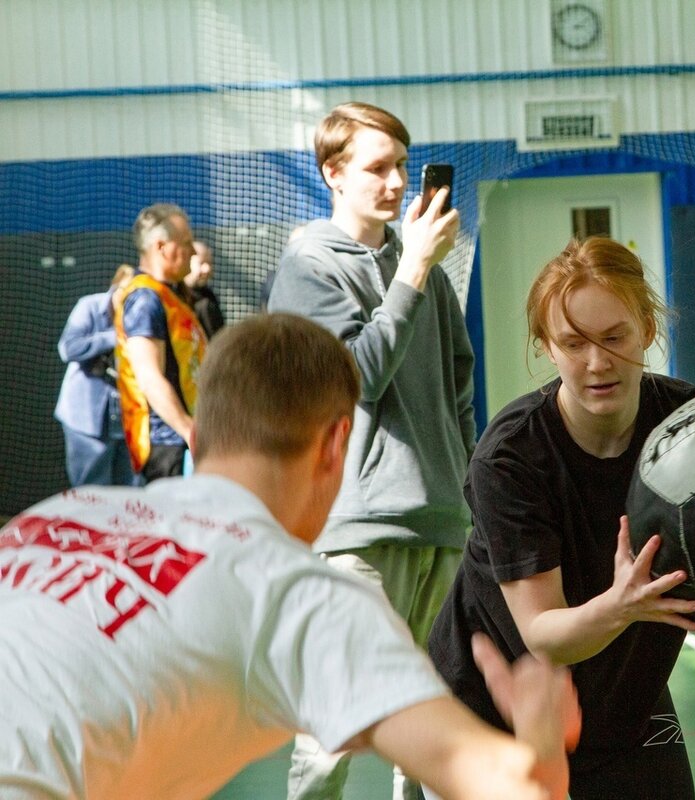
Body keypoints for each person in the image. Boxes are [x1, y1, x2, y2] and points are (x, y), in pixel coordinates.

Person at [0, 313, 576, 800]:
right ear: (335, 444)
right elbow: (515, 789)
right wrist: (542, 737)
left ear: (198, 435)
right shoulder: (297, 592)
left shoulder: (57, 514)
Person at [427, 237, 695, 800]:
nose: (597, 363)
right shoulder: (510, 458)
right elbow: (544, 636)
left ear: (647, 328)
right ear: (547, 349)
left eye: (614, 337)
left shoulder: (691, 429)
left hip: (626, 694)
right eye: (574, 343)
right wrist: (621, 605)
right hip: (497, 704)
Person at [267, 101, 475, 800]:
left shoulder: (428, 272)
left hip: (440, 524)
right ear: (333, 173)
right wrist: (412, 268)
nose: (397, 183)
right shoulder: (309, 268)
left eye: (403, 168)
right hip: (356, 532)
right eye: (378, 168)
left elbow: (458, 387)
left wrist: (464, 489)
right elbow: (356, 379)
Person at [113, 203, 207, 483]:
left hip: (181, 441)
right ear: (161, 247)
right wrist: (188, 429)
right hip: (167, 445)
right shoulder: (145, 300)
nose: (192, 252)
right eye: (186, 242)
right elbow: (149, 378)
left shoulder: (171, 296)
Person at [54, 265, 140, 488]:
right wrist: (113, 337)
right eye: (125, 293)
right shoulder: (89, 306)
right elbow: (68, 348)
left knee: (127, 490)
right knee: (91, 491)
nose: (128, 301)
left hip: (126, 420)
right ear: (115, 288)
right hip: (86, 419)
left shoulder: (141, 315)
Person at [184, 239, 226, 338]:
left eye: (210, 263)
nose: (207, 269)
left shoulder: (208, 297)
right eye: (201, 263)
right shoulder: (174, 295)